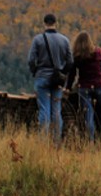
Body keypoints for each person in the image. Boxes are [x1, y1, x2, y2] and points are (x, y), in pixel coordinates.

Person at [27, 13, 73, 142]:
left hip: (42, 77)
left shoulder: (38, 40)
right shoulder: (64, 40)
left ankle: (43, 142)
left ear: (44, 23)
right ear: (55, 23)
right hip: (57, 80)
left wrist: (35, 71)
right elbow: (70, 61)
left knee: (44, 110)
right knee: (56, 112)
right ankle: (56, 142)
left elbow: (31, 60)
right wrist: (62, 73)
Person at [66, 31, 101, 142]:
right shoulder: (98, 52)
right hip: (99, 85)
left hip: (84, 87)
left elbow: (72, 74)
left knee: (88, 114)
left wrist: (68, 88)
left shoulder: (77, 56)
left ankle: (90, 140)